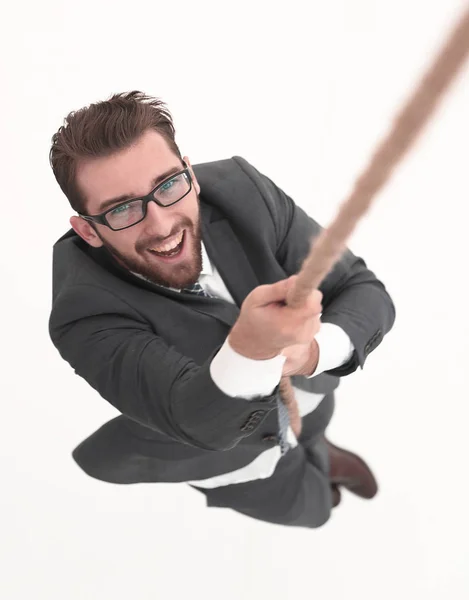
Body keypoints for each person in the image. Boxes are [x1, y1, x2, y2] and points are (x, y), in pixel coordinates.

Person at [48, 91, 396, 529]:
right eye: (121, 209)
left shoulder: (241, 191)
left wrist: (310, 354)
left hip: (308, 396)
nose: (161, 225)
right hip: (232, 455)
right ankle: (320, 489)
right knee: (312, 511)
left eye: (168, 185)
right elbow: (197, 420)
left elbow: (364, 292)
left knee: (317, 422)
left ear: (190, 175)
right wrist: (250, 349)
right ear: (88, 231)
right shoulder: (83, 314)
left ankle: (323, 455)